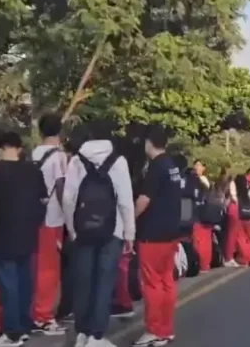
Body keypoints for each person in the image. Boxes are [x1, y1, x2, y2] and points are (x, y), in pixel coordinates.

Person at [63, 124, 136, 347]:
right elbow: (125, 201)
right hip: (112, 231)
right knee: (104, 283)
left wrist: (72, 229)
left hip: (83, 230)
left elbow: (68, 198)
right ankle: (96, 336)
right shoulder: (119, 162)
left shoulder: (76, 161)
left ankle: (81, 334)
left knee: (83, 281)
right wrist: (129, 233)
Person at [0, 131, 48, 347]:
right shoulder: (34, 171)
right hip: (28, 234)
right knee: (25, 282)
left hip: (2, 235)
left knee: (8, 286)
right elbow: (44, 200)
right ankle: (24, 326)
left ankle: (12, 333)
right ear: (19, 149)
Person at [132, 125, 181, 347]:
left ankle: (154, 331)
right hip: (170, 232)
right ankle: (166, 329)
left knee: (152, 283)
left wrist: (129, 219)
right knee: (167, 281)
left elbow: (144, 200)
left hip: (152, 233)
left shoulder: (156, 167)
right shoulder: (172, 166)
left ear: (148, 143)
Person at [30, 114, 69, 335]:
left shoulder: (34, 153)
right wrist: (69, 215)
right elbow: (61, 187)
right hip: (52, 217)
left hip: (34, 215)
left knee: (36, 268)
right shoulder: (59, 157)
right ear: (59, 131)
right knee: (49, 270)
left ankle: (35, 312)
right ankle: (43, 316)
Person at [226, 174, 250, 267]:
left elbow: (232, 198)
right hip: (248, 214)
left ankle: (237, 258)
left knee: (237, 237)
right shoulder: (248, 190)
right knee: (249, 238)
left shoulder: (234, 189)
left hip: (237, 212)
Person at [190, 160, 215, 273]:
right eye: (195, 165)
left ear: (204, 168)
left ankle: (203, 264)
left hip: (202, 214)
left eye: (199, 165)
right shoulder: (195, 180)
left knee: (201, 241)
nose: (197, 167)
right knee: (202, 240)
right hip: (201, 214)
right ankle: (204, 264)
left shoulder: (202, 181)